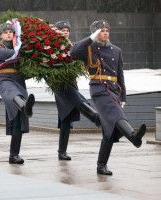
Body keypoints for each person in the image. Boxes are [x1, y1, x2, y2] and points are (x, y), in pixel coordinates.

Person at [70, 20, 146, 175]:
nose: (105, 32)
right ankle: (132, 136)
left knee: (109, 130)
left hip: (113, 90)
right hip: (99, 89)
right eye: (101, 30)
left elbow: (120, 75)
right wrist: (90, 38)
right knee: (115, 114)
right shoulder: (88, 48)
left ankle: (101, 165)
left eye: (106, 30)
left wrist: (123, 96)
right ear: (95, 33)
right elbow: (73, 52)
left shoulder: (116, 50)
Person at [53, 21, 101, 161]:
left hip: (72, 82)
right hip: (59, 83)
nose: (65, 32)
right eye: (62, 30)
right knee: (75, 100)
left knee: (66, 119)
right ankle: (94, 116)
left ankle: (62, 151)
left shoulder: (74, 46)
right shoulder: (51, 47)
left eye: (67, 30)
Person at [0, 22, 35, 164]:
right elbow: (5, 55)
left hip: (19, 80)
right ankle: (25, 106)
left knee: (18, 120)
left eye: (11, 32)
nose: (9, 34)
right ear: (0, 35)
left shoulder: (18, 47)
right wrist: (21, 50)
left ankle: (14, 155)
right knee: (12, 95)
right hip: (5, 79)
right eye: (5, 32)